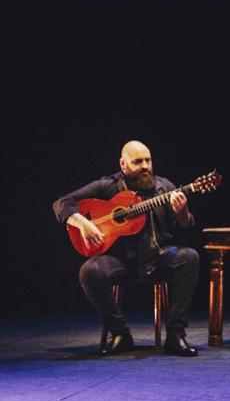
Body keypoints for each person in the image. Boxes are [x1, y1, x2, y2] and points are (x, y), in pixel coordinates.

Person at [53, 141, 201, 356]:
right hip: (121, 260)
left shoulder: (166, 187)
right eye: (137, 162)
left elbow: (185, 231)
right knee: (90, 271)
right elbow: (62, 202)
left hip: (158, 256)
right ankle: (121, 333)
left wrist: (183, 212)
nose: (145, 166)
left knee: (190, 257)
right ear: (123, 164)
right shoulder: (108, 186)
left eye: (148, 161)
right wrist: (82, 223)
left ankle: (176, 335)